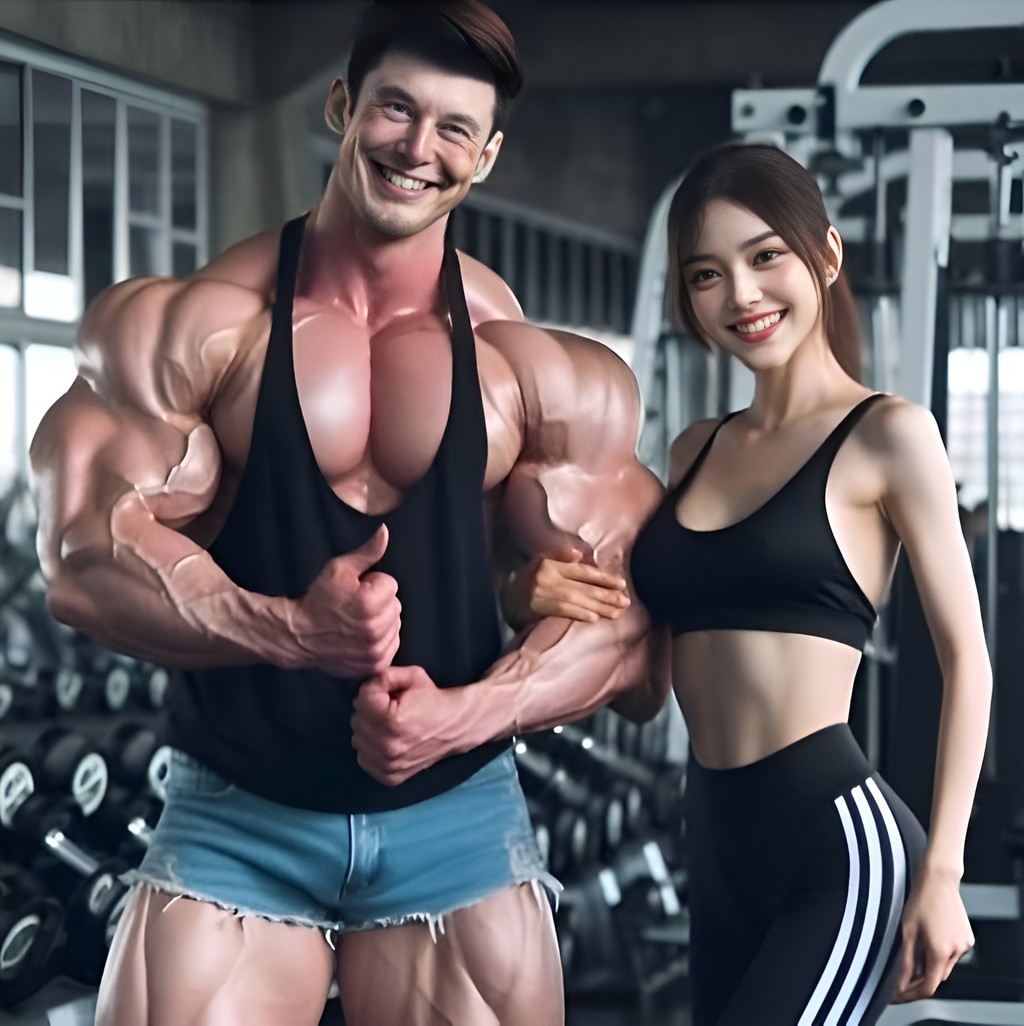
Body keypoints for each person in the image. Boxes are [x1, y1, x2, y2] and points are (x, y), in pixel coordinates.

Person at [28, 3, 669, 1024]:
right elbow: (80, 563)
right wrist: (286, 631)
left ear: (487, 156)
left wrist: (466, 712)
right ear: (341, 106)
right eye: (395, 111)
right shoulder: (199, 328)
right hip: (238, 814)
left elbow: (630, 631)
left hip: (454, 824)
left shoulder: (532, 369)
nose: (418, 148)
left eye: (454, 128)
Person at [514, 144, 991, 1025]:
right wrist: (524, 594)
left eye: (766, 256)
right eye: (707, 274)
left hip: (835, 847)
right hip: (715, 838)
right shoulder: (695, 447)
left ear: (828, 255)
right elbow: (638, 647)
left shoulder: (890, 435)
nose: (741, 296)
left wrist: (944, 875)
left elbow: (970, 660)